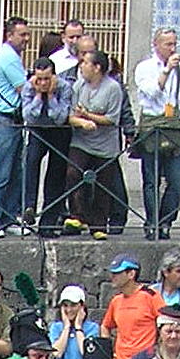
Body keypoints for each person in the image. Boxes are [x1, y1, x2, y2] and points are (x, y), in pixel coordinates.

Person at [131, 28, 180, 238]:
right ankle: (151, 222)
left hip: (174, 126)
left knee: (176, 180)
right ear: (156, 45)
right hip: (152, 125)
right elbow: (152, 91)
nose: (172, 48)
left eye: (174, 44)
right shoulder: (144, 67)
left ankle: (166, 220)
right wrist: (166, 71)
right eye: (167, 44)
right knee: (151, 180)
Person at [65, 47, 126, 238]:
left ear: (97, 67)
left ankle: (99, 225)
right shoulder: (79, 86)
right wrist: (81, 121)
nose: (81, 66)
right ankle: (77, 214)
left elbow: (112, 118)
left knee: (103, 184)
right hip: (81, 141)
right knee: (73, 173)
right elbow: (72, 113)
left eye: (85, 62)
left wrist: (89, 116)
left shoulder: (113, 88)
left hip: (105, 146)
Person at [0, 16, 30, 236]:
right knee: (2, 172)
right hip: (4, 120)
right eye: (22, 35)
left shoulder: (12, 57)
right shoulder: (9, 58)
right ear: (9, 35)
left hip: (12, 120)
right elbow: (25, 90)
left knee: (15, 172)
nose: (26, 39)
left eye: (27, 34)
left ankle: (8, 218)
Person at [21, 57, 74, 236]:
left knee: (56, 175)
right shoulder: (30, 86)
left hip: (59, 132)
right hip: (38, 129)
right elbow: (28, 115)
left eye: (46, 79)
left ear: (54, 76)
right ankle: (29, 206)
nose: (43, 83)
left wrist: (50, 97)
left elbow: (60, 118)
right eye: (39, 79)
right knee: (31, 161)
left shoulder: (64, 87)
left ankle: (48, 223)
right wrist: (38, 96)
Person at [100, 253, 163, 359]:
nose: (112, 277)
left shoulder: (151, 296)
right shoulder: (116, 301)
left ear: (131, 274)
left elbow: (166, 323)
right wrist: (109, 353)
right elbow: (105, 326)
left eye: (117, 273)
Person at [48, 284, 99, 359]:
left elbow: (87, 353)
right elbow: (57, 352)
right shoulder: (56, 328)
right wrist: (66, 327)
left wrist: (78, 327)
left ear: (81, 306)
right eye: (65, 305)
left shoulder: (92, 328)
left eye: (73, 305)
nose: (69, 310)